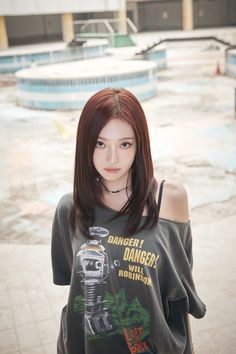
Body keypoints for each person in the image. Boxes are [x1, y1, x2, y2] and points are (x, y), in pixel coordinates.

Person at [51, 87, 206, 354]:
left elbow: (178, 294)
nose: (112, 158)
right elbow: (76, 294)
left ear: (139, 145)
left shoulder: (169, 200)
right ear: (85, 144)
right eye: (100, 143)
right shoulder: (70, 208)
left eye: (125, 144)